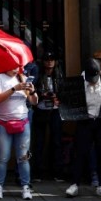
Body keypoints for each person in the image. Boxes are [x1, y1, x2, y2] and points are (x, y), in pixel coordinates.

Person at [65, 59, 101, 199]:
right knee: (80, 152)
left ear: (100, 72)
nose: (92, 81)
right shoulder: (79, 84)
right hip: (85, 120)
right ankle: (74, 184)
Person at [0, 67, 37, 200]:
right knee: (2, 157)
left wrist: (32, 91)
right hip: (4, 123)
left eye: (19, 66)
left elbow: (34, 102)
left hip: (22, 121)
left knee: (23, 157)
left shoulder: (23, 78)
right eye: (14, 66)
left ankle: (25, 186)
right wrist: (14, 89)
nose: (17, 69)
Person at [31, 51, 64, 181]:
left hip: (55, 110)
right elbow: (32, 90)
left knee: (56, 141)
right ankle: (37, 172)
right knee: (39, 142)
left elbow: (65, 91)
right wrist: (42, 95)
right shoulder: (38, 75)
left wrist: (58, 97)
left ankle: (57, 172)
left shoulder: (59, 75)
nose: (49, 61)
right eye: (47, 59)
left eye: (52, 59)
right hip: (41, 109)